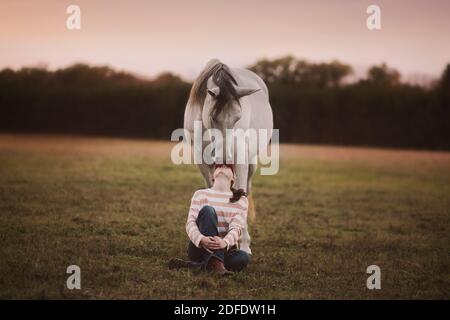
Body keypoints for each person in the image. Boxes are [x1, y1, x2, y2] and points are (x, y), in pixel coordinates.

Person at [168, 163, 251, 275]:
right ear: (212, 176)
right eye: (218, 166)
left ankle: (198, 265)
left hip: (224, 248)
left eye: (227, 167)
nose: (222, 167)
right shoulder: (200, 194)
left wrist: (225, 242)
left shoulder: (241, 200)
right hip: (200, 248)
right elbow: (190, 223)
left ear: (234, 178)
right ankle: (217, 264)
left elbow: (236, 228)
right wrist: (201, 239)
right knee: (208, 210)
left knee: (243, 257)